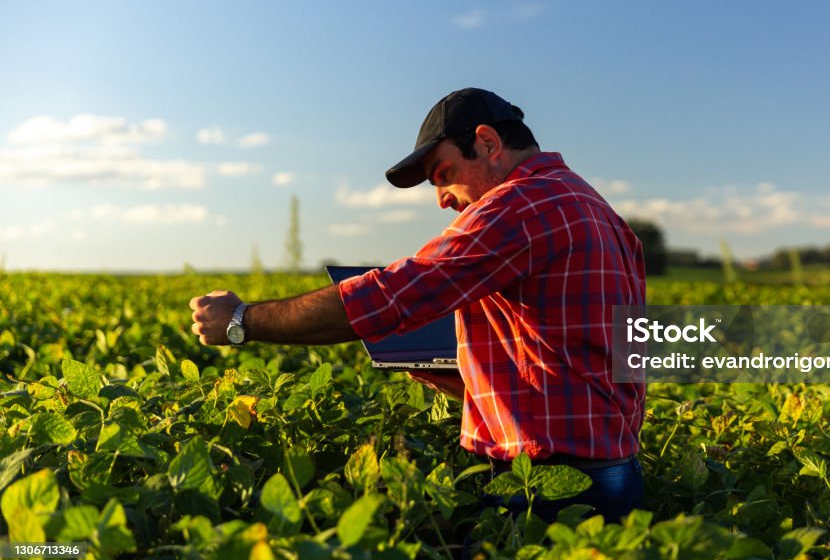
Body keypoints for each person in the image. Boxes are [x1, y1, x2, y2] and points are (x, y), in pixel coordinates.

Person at [189, 87, 646, 522]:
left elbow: (394, 296)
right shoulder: (598, 210)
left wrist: (242, 319)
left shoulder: (522, 204)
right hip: (614, 470)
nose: (443, 198)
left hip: (549, 484)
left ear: (487, 143)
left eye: (443, 174)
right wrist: (469, 377)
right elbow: (595, 361)